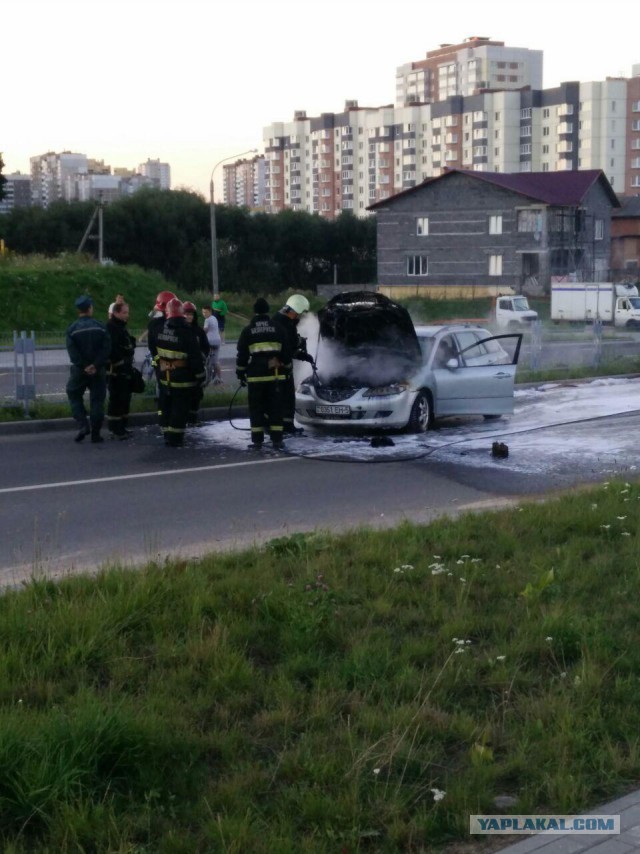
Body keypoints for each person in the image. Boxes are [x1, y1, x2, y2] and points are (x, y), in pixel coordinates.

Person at [236, 298, 292, 450]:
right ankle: (277, 440)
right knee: (275, 408)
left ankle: (257, 441)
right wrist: (287, 369)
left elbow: (242, 355)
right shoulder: (278, 328)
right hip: (275, 375)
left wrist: (240, 374)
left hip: (255, 376)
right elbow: (286, 353)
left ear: (255, 311)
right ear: (268, 310)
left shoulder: (248, 330)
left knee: (256, 409)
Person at [155, 298, 206, 447]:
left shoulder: (160, 330)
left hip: (165, 375)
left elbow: (155, 354)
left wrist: (157, 367)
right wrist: (200, 376)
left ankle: (166, 433)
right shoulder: (186, 332)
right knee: (179, 408)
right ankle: (175, 438)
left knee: (166, 406)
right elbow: (195, 357)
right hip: (182, 378)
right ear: (182, 313)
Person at [65, 295, 111, 443]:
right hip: (98, 371)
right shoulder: (100, 327)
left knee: (73, 393)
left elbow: (73, 353)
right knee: (97, 400)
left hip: (79, 370)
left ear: (79, 310)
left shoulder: (72, 330)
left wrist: (84, 366)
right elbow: (106, 349)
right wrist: (95, 365)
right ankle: (96, 434)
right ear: (90, 308)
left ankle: (82, 424)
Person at [271, 294, 314, 436]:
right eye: (298, 314)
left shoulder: (277, 319)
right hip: (281, 367)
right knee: (287, 397)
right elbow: (289, 346)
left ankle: (277, 425)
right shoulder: (286, 324)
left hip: (274, 366)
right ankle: (287, 426)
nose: (299, 317)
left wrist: (302, 355)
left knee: (277, 398)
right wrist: (301, 348)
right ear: (293, 311)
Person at [106, 301, 136, 438]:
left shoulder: (120, 326)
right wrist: (122, 360)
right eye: (124, 312)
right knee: (117, 400)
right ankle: (116, 429)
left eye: (127, 312)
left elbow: (127, 344)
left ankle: (122, 427)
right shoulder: (112, 327)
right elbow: (112, 349)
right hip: (117, 371)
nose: (127, 315)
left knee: (125, 399)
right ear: (116, 313)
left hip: (125, 369)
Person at [183, 301, 210, 426]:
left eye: (190, 314)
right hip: (183, 369)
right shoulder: (179, 330)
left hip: (197, 368)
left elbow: (206, 347)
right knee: (183, 395)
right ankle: (183, 418)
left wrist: (202, 357)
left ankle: (193, 419)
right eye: (186, 314)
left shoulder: (198, 331)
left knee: (197, 394)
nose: (188, 317)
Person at [202, 305, 223, 384]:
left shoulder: (207, 320)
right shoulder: (214, 318)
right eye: (203, 312)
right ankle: (219, 378)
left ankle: (208, 377)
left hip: (210, 342)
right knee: (215, 361)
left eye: (206, 312)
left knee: (206, 359)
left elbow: (205, 331)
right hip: (217, 341)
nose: (204, 314)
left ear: (210, 312)